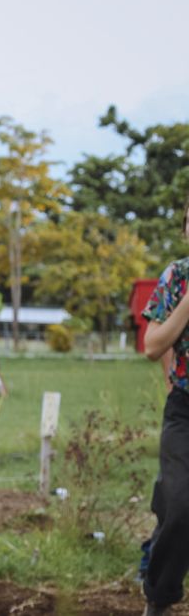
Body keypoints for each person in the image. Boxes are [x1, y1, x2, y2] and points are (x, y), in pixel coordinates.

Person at [140, 198, 189, 616]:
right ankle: (160, 597)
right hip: (185, 410)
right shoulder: (178, 275)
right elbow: (153, 346)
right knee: (178, 507)